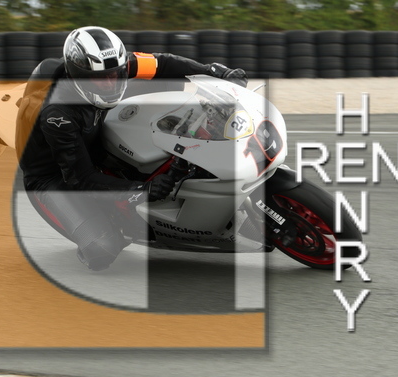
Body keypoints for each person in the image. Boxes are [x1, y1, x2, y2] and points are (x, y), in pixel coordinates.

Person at [17, 26, 248, 271]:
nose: (110, 83)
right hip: (53, 176)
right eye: (101, 78)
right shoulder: (58, 115)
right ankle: (105, 223)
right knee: (102, 249)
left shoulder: (112, 65)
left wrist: (214, 71)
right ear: (79, 76)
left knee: (170, 84)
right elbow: (80, 178)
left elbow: (161, 63)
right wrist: (142, 189)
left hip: (93, 133)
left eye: (115, 75)